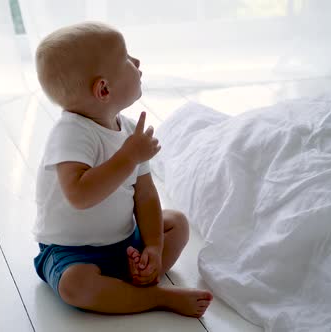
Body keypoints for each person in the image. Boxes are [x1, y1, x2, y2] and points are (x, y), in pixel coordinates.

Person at [32, 22, 213, 317]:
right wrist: (128, 156)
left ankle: (138, 275)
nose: (137, 62)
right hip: (72, 252)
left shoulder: (129, 131)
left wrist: (153, 246)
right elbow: (79, 195)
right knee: (74, 286)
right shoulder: (70, 133)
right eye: (127, 58)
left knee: (177, 224)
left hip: (125, 242)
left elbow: (145, 196)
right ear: (103, 89)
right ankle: (155, 297)